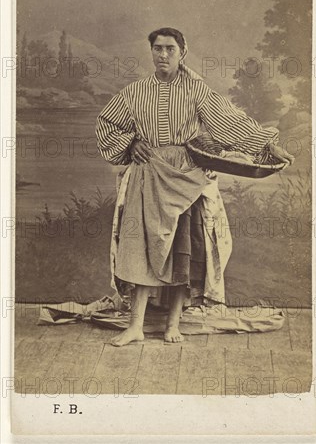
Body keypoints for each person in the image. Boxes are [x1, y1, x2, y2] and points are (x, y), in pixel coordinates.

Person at [95, 27, 294, 347]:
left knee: (180, 252)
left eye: (170, 49)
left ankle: (173, 323)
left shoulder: (197, 91)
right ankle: (135, 326)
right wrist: (131, 142)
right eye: (157, 49)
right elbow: (107, 123)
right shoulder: (134, 92)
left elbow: (232, 122)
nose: (163, 55)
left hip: (187, 177)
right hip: (148, 174)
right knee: (139, 252)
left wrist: (269, 144)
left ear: (182, 53)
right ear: (151, 52)